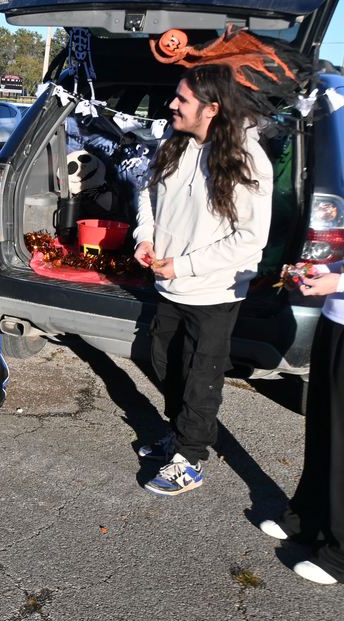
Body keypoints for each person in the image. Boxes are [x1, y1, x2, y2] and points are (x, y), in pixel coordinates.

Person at [133, 64, 272, 496]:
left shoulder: (245, 160)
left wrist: (185, 265)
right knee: (163, 363)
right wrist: (145, 237)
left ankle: (191, 457)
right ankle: (178, 433)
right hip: (169, 284)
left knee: (200, 375)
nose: (171, 105)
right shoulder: (174, 144)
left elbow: (251, 239)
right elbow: (148, 193)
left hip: (213, 290)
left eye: (182, 100)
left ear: (211, 108)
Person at [258, 264, 344, 585]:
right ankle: (307, 518)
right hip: (334, 320)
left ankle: (340, 555)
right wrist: (321, 269)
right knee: (322, 429)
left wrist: (340, 280)